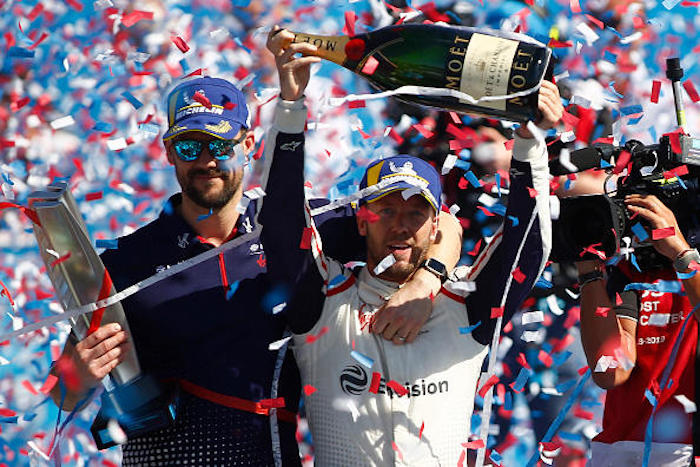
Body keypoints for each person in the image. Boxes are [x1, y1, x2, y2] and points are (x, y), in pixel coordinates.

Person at [47, 59, 462, 464]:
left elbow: (440, 222)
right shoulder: (127, 261)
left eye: (220, 145)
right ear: (170, 152)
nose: (207, 161)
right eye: (190, 146)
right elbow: (62, 392)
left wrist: (427, 281)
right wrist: (77, 374)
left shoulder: (305, 228)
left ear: (247, 146)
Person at [266, 27, 562, 465]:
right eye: (385, 211)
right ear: (361, 221)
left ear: (437, 225)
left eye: (415, 213)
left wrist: (530, 141)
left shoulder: (464, 304)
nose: (401, 227)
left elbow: (529, 246)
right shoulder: (326, 301)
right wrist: (291, 107)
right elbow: (281, 222)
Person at [577, 194, 700, 466]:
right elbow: (611, 372)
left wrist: (682, 255)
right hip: (619, 450)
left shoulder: (686, 259)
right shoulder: (632, 270)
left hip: (686, 450)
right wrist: (589, 274)